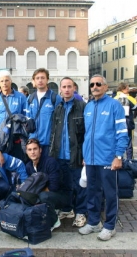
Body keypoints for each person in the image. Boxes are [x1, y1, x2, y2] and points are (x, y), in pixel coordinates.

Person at [79, 74, 129, 241]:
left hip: (108, 158)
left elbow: (122, 133)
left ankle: (110, 225)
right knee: (92, 191)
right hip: (91, 158)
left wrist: (118, 156)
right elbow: (87, 134)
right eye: (92, 84)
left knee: (110, 193)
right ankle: (93, 222)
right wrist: (86, 155)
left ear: (106, 87)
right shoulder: (88, 106)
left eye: (98, 84)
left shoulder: (115, 105)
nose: (94, 86)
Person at [49, 77, 87, 228]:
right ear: (60, 90)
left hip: (75, 154)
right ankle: (67, 209)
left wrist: (85, 155)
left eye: (69, 86)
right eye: (64, 87)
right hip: (60, 154)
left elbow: (86, 133)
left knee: (80, 186)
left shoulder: (82, 107)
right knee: (65, 185)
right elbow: (54, 133)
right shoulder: (58, 108)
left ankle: (81, 212)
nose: (66, 89)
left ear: (74, 88)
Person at [0, 70, 27, 161]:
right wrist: (0, 131)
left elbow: (25, 116)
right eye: (2, 81)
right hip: (0, 138)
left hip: (16, 137)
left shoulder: (20, 97)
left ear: (11, 81)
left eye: (6, 80)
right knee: (2, 164)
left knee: (17, 163)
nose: (4, 83)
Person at [26, 68, 62, 157]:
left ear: (47, 80)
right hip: (33, 144)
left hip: (48, 144)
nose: (40, 80)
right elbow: (28, 118)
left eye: (42, 78)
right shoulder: (30, 98)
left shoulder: (55, 98)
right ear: (33, 80)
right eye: (37, 78)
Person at [25, 138, 67, 212]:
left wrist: (35, 194)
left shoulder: (50, 162)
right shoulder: (28, 166)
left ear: (40, 150)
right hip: (41, 194)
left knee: (43, 196)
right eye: (30, 150)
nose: (32, 152)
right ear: (26, 152)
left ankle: (54, 219)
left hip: (59, 196)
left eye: (35, 149)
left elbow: (54, 187)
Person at [114, 82, 137, 160]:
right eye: (127, 89)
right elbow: (136, 106)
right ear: (123, 89)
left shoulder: (114, 98)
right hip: (127, 122)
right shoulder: (128, 98)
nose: (128, 91)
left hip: (116, 123)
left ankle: (119, 158)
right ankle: (129, 160)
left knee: (117, 141)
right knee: (129, 143)